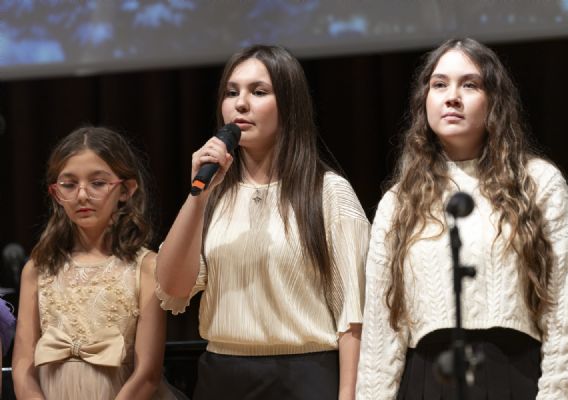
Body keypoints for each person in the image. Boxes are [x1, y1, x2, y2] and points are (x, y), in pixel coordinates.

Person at [355, 38, 568, 399]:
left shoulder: (539, 184)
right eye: (439, 85)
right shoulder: (399, 202)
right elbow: (380, 335)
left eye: (469, 84)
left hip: (512, 380)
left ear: (494, 101)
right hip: (426, 384)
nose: (452, 97)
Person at [155, 44, 369, 400]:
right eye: (231, 92)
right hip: (222, 377)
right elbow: (172, 287)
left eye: (258, 92)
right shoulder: (214, 193)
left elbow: (354, 318)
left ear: (289, 104)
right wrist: (198, 197)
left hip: (304, 377)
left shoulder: (328, 192)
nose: (241, 104)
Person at [12, 127, 180, 399]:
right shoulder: (38, 268)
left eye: (98, 183)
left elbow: (148, 373)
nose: (82, 195)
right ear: (56, 194)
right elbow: (22, 367)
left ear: (126, 190)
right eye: (69, 184)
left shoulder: (147, 267)